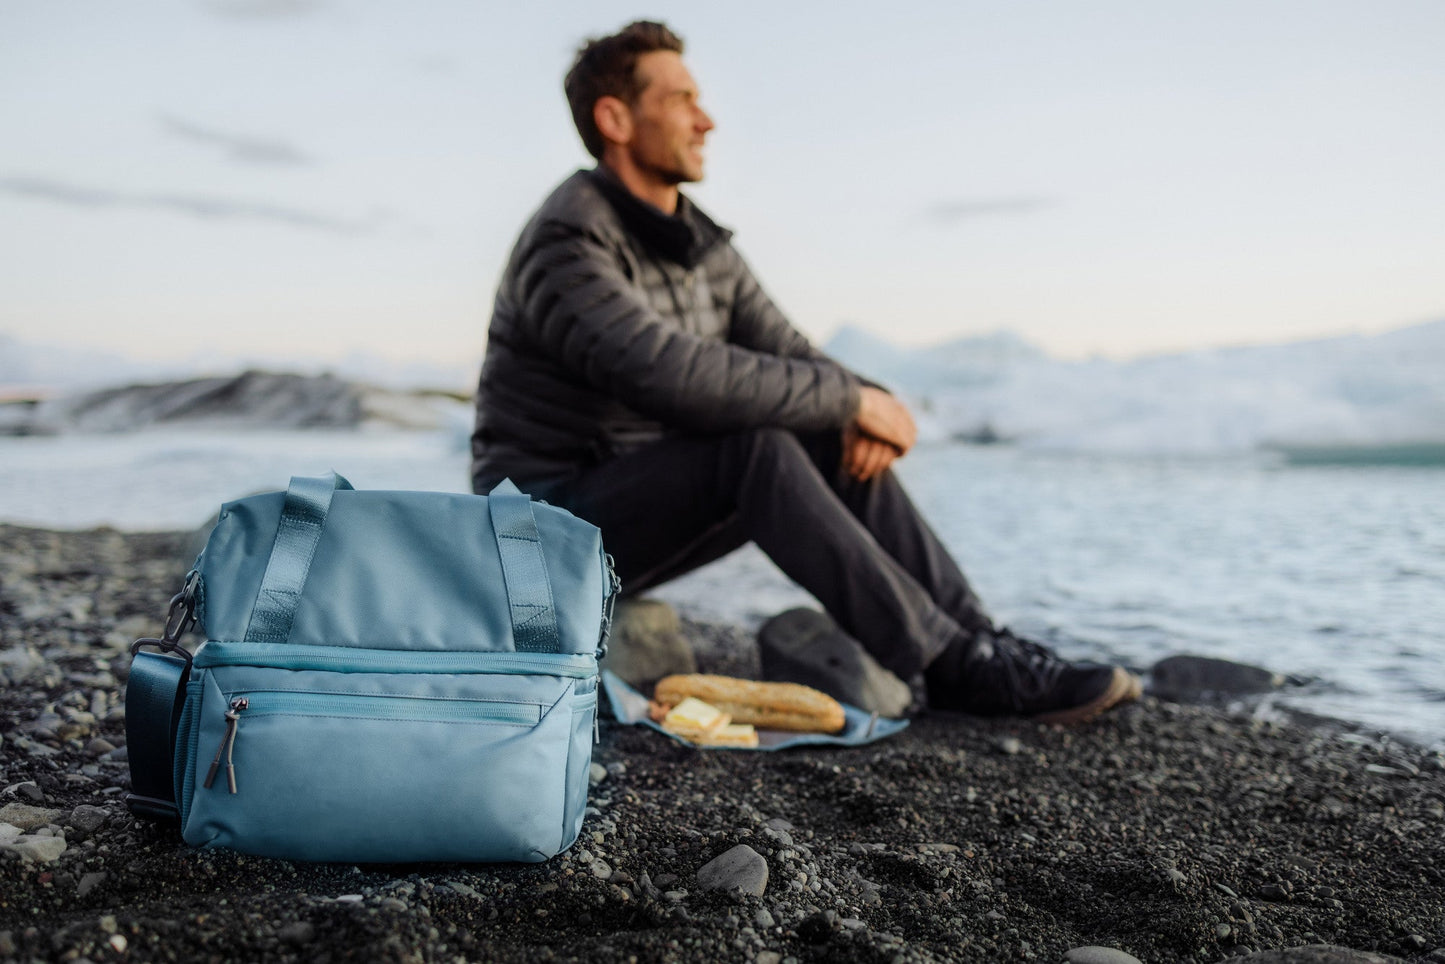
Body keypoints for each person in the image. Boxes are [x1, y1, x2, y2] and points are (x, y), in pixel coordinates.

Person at [471, 20, 1141, 724]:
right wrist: (850, 399)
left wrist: (867, 402)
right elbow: (669, 378)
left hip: (647, 503)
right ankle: (946, 662)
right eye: (682, 99)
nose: (708, 119)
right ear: (615, 118)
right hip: (542, 528)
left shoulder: (703, 248)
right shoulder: (567, 239)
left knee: (825, 433)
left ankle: (979, 646)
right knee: (757, 445)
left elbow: (793, 353)